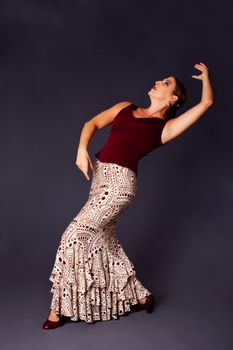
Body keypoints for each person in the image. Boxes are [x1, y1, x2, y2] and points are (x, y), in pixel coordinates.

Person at [42, 62, 213, 329]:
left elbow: (205, 104)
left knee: (74, 235)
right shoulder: (125, 107)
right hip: (99, 179)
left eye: (166, 82)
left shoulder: (164, 128)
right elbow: (92, 123)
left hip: (120, 187)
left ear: (173, 98)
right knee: (104, 242)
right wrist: (81, 149)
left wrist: (205, 79)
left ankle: (58, 308)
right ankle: (140, 296)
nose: (158, 80)